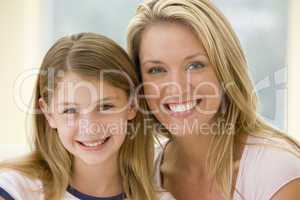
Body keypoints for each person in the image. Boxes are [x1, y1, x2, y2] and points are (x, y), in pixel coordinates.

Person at [127, 0, 300, 199]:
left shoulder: (277, 172)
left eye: (195, 65)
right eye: (156, 70)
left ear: (225, 70)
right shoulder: (142, 176)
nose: (177, 87)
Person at [0, 33, 156, 200]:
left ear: (132, 105)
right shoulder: (15, 189)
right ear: (49, 113)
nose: (89, 127)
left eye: (105, 106)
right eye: (70, 110)